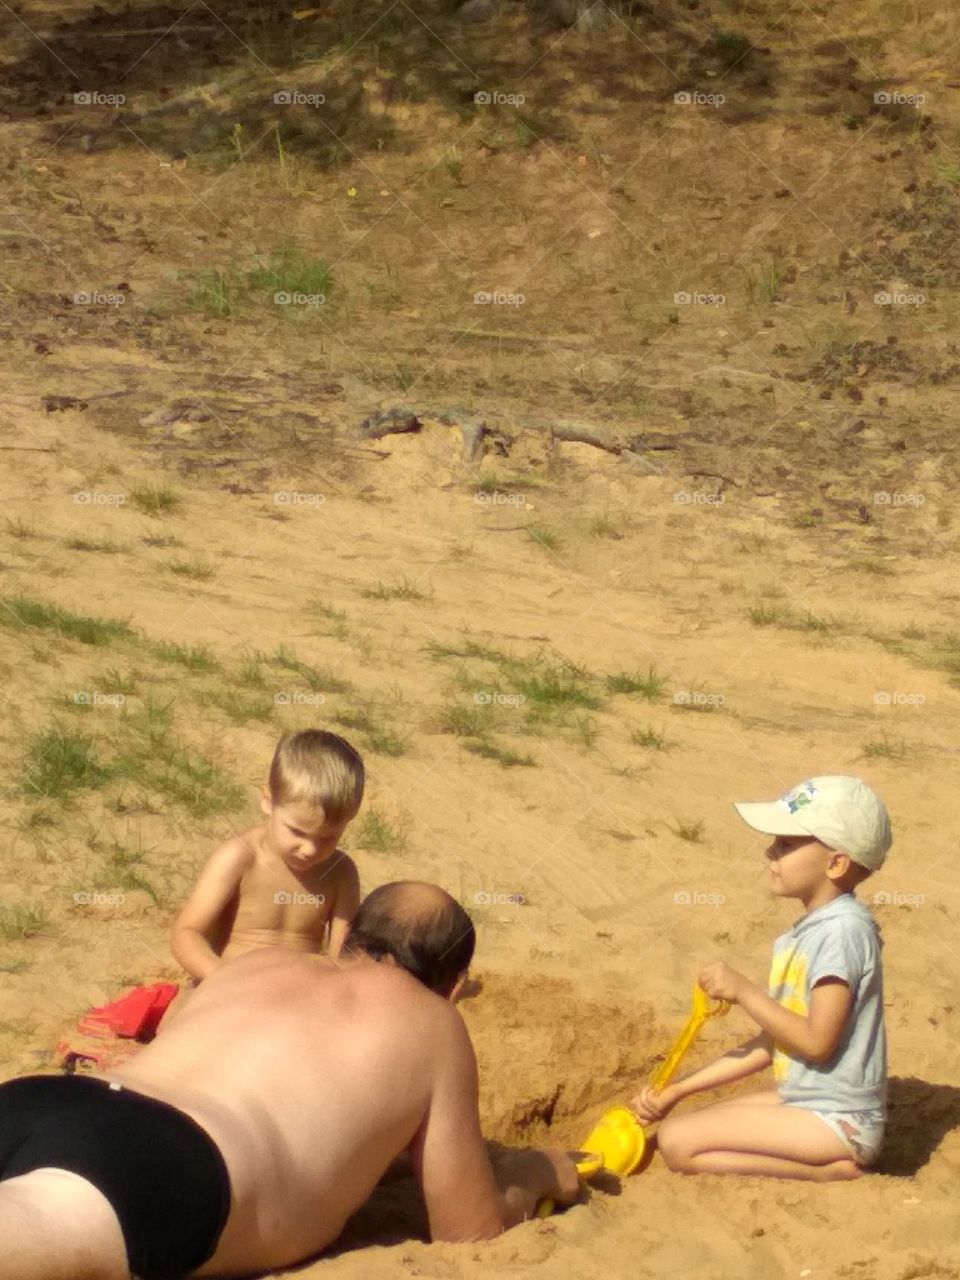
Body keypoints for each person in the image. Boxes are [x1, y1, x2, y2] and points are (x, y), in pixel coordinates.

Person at [0, 881, 579, 1280]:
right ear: (454, 987)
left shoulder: (256, 963)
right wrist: (531, 1174)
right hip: (165, 1162)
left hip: (53, 1100)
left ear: (349, 943)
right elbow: (469, 1231)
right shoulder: (435, 1023)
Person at [631, 775, 892, 1181]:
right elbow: (773, 1043)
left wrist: (745, 993)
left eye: (786, 844)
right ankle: (826, 1161)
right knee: (690, 1124)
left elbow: (816, 1043)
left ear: (836, 863)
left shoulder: (842, 933)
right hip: (808, 1101)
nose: (770, 851)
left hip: (839, 1121)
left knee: (677, 1142)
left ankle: (833, 1171)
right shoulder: (809, 931)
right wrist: (678, 1090)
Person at [171, 728, 364, 980]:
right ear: (267, 801)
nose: (310, 849)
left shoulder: (341, 872)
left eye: (328, 837)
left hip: (299, 997)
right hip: (231, 986)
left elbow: (345, 955)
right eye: (297, 831)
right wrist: (220, 979)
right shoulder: (240, 858)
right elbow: (186, 933)